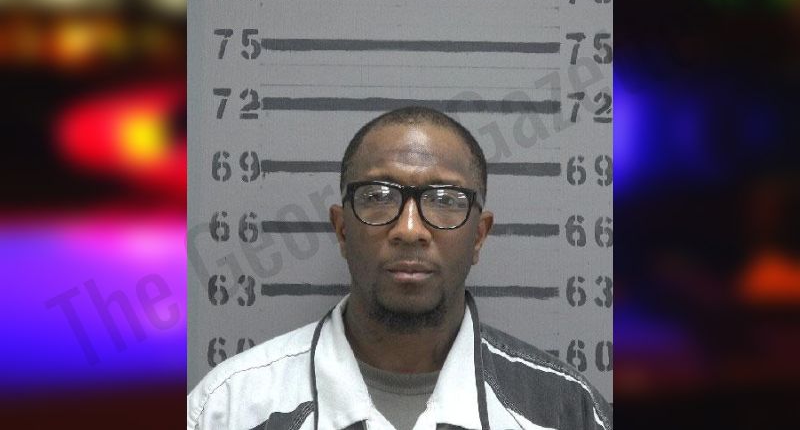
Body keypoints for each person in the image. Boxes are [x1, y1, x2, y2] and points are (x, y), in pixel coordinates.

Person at [187, 106, 612, 430]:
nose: (409, 230)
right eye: (377, 196)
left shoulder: (567, 411)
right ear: (341, 229)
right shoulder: (228, 409)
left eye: (444, 200)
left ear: (479, 236)